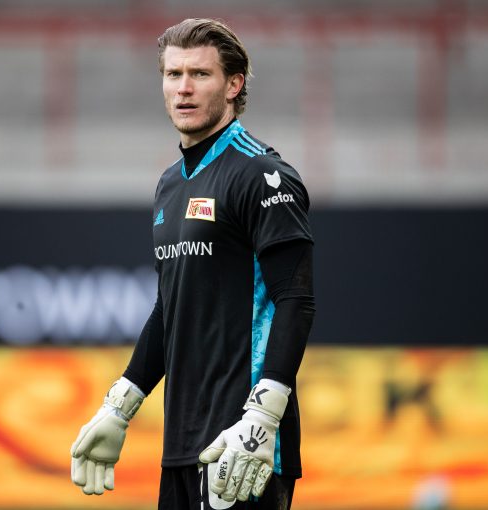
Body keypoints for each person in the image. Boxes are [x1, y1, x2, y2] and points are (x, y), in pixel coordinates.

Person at [70, 18, 315, 510]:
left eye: (200, 75)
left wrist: (263, 417)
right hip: (180, 445)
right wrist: (120, 406)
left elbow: (296, 298)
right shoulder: (169, 185)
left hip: (242, 445)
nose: (183, 88)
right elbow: (170, 310)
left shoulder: (263, 176)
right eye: (173, 74)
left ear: (234, 84)